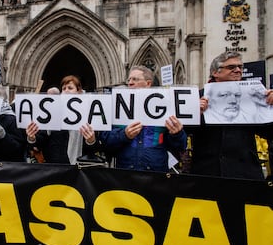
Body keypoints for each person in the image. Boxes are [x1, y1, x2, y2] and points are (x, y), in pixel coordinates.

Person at [187, 51, 273, 179]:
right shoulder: (197, 97)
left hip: (245, 173)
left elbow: (269, 133)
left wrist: (271, 107)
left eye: (240, 67)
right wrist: (195, 114)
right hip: (208, 173)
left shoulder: (254, 95)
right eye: (231, 67)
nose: (238, 70)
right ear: (215, 72)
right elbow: (183, 133)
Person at [99, 66, 187, 172]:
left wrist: (177, 133)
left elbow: (180, 146)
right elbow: (106, 141)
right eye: (129, 79)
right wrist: (124, 135)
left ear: (148, 83)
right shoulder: (119, 107)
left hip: (156, 174)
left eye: (135, 79)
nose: (130, 83)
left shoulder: (165, 108)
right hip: (126, 173)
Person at [25, 75, 100, 164]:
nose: (66, 90)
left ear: (79, 92)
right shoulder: (52, 113)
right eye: (63, 88)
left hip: (78, 169)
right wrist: (32, 137)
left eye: (70, 88)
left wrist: (91, 140)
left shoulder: (88, 115)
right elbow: (40, 140)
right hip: (54, 168)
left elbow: (94, 149)